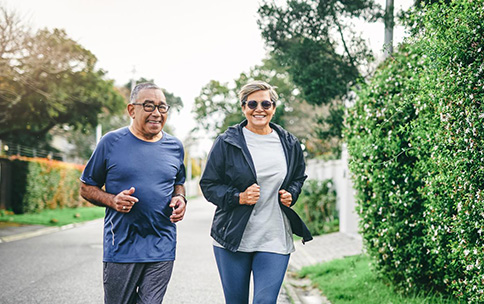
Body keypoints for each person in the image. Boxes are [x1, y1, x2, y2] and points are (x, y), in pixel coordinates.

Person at [199, 80, 312, 304]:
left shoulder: (289, 143)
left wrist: (292, 193)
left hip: (275, 237)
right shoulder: (226, 142)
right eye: (252, 104)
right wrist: (238, 197)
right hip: (233, 238)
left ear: (274, 108)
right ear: (243, 108)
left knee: (265, 301)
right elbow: (209, 184)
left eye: (265, 104)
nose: (259, 109)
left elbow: (298, 177)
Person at [80, 82, 187, 304]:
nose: (156, 113)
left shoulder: (175, 146)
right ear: (132, 110)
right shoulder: (111, 142)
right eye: (148, 106)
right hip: (122, 247)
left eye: (162, 107)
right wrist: (112, 200)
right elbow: (86, 187)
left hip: (162, 245)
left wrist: (180, 197)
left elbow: (178, 182)